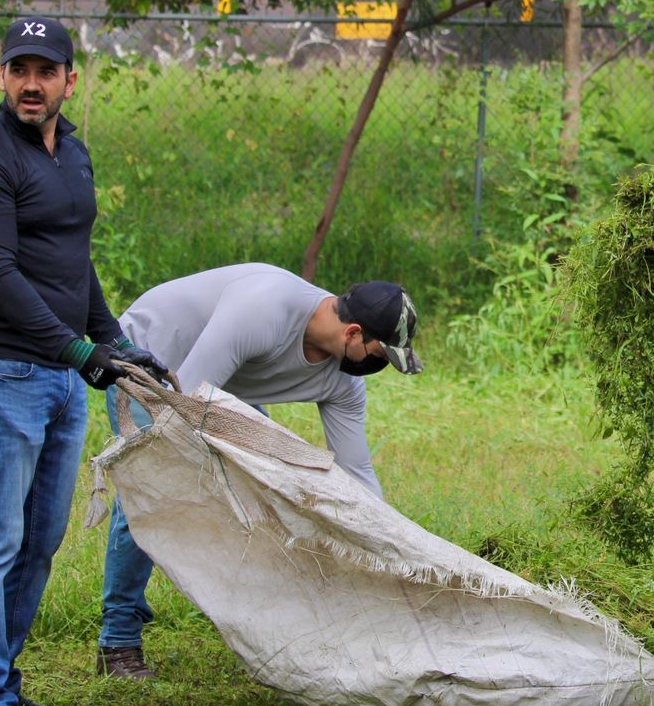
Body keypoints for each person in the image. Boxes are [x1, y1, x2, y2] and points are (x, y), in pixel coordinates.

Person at [0, 15, 166, 706]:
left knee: (40, 541)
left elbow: (74, 262)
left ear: (71, 79)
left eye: (46, 71)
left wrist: (114, 341)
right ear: (1, 76)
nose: (31, 84)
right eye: (19, 70)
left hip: (63, 380)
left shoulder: (72, 152)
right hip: (3, 373)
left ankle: (2, 681)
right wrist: (80, 353)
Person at [95, 264, 422, 679]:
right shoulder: (263, 308)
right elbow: (186, 404)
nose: (378, 369)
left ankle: (265, 629)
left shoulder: (344, 382)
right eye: (380, 357)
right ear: (353, 333)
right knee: (159, 483)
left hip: (225, 379)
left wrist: (394, 551)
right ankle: (118, 640)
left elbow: (356, 472)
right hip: (154, 358)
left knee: (260, 485)